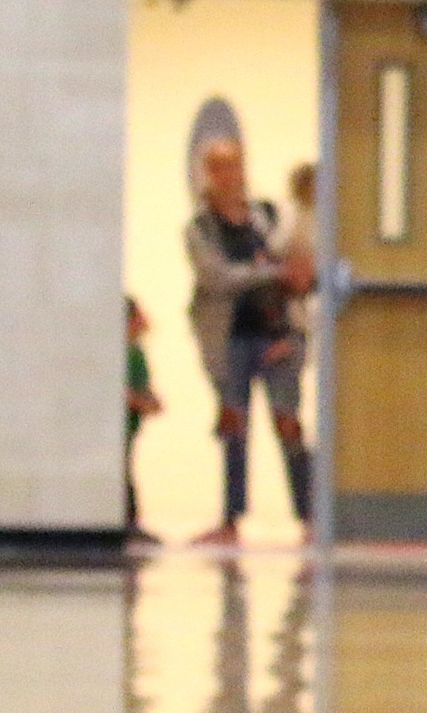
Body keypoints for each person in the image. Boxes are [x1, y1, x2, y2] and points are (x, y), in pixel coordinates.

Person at [183, 137, 313, 546]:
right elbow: (216, 279)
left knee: (288, 422)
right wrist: (269, 272)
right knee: (233, 426)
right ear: (207, 174)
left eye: (234, 165)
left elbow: (297, 268)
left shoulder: (269, 217)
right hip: (230, 340)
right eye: (218, 167)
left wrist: (278, 272)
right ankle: (231, 518)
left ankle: (309, 516)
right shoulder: (201, 228)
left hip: (279, 335)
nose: (228, 175)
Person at [125, 296, 162, 548]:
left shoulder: (135, 355)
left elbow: (149, 399)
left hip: (129, 429)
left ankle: (131, 523)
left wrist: (139, 400)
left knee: (125, 470)